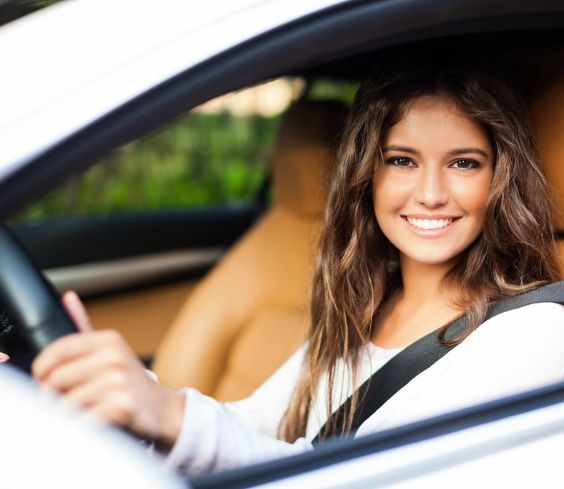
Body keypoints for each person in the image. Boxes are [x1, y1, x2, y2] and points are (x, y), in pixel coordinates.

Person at [5, 50, 564, 474]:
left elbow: (355, 479)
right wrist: (110, 388)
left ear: (501, 179)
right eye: (402, 161)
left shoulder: (535, 332)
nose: (431, 194)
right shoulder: (369, 301)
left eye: (464, 163)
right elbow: (254, 424)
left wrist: (170, 417)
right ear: (367, 174)